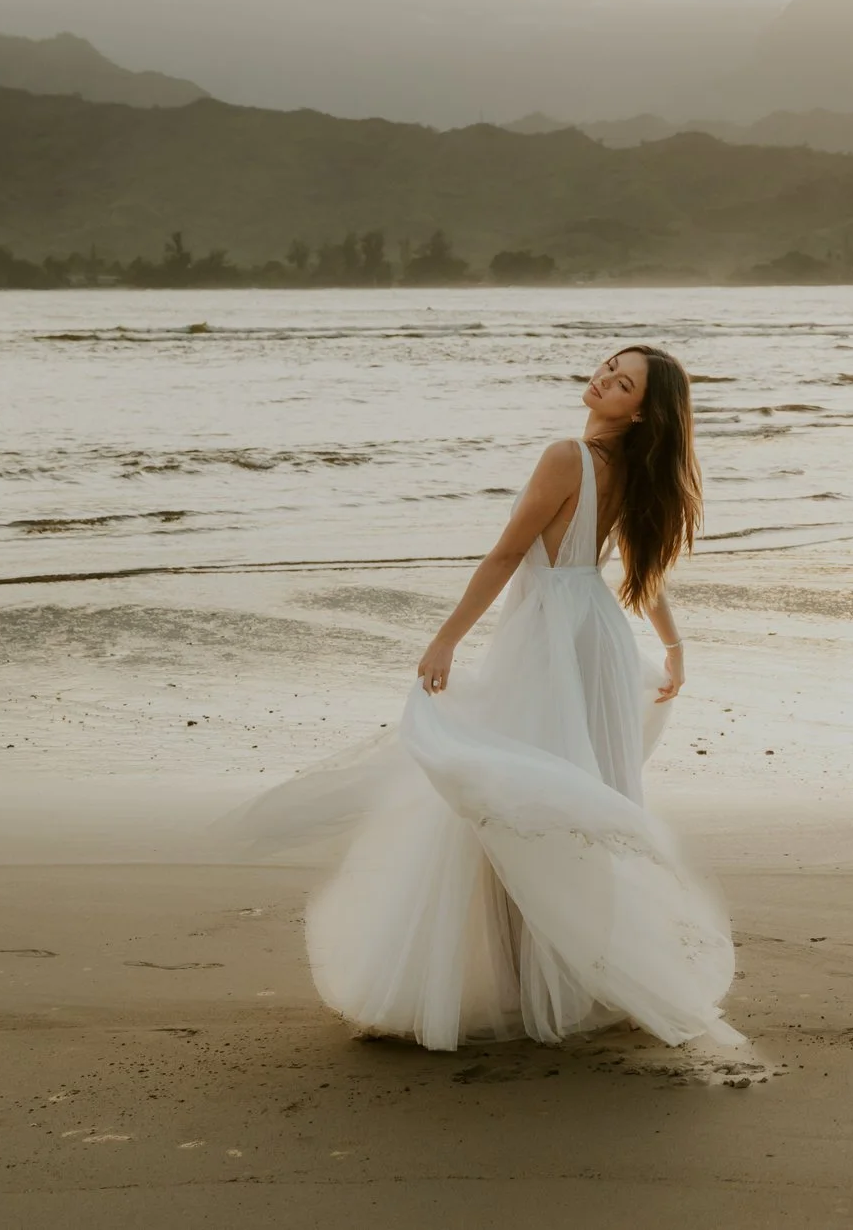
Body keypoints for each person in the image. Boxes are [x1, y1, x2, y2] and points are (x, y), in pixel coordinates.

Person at [229, 345, 746, 1053]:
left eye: (622, 383)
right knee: (565, 798)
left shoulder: (568, 454)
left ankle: (530, 982)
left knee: (513, 807)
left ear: (640, 411)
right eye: (607, 367)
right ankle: (576, 975)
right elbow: (637, 571)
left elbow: (507, 553)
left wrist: (445, 639)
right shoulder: (631, 470)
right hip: (594, 636)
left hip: (546, 640)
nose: (602, 379)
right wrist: (674, 647)